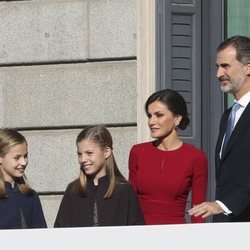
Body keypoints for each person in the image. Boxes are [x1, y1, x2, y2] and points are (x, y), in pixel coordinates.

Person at [189, 35, 250, 222]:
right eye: (218, 67)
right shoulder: (228, 116)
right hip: (227, 226)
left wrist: (224, 205)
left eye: (226, 66)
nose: (218, 74)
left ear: (247, 67)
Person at [128, 89, 208, 225]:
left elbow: (198, 212)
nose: (151, 121)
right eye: (149, 115)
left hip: (175, 236)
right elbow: (130, 203)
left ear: (177, 118)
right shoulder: (138, 152)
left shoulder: (196, 157)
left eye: (159, 115)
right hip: (139, 233)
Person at [54, 126, 144, 227]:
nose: (83, 159)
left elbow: (137, 231)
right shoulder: (73, 191)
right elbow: (59, 232)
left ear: (106, 152)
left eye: (89, 153)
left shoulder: (124, 191)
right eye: (79, 154)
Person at [0, 128, 47, 229]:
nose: (24, 162)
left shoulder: (30, 196)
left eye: (25, 156)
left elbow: (41, 236)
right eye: (17, 157)